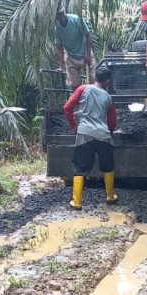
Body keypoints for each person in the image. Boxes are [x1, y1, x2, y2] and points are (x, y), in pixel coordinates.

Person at [63, 66, 118, 210]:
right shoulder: (108, 97)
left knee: (80, 167)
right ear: (107, 81)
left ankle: (77, 202)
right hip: (102, 134)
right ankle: (110, 196)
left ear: (95, 77)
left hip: (84, 133)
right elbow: (112, 120)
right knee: (107, 166)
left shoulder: (83, 89)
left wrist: (74, 126)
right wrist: (110, 133)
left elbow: (67, 107)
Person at [54, 10, 94, 89]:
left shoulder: (76, 19)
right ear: (56, 18)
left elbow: (88, 35)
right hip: (71, 56)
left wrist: (88, 54)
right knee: (74, 84)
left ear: (65, 13)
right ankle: (77, 99)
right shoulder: (57, 28)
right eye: (59, 17)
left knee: (93, 81)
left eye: (63, 15)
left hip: (85, 53)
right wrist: (61, 66)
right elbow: (59, 48)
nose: (62, 19)